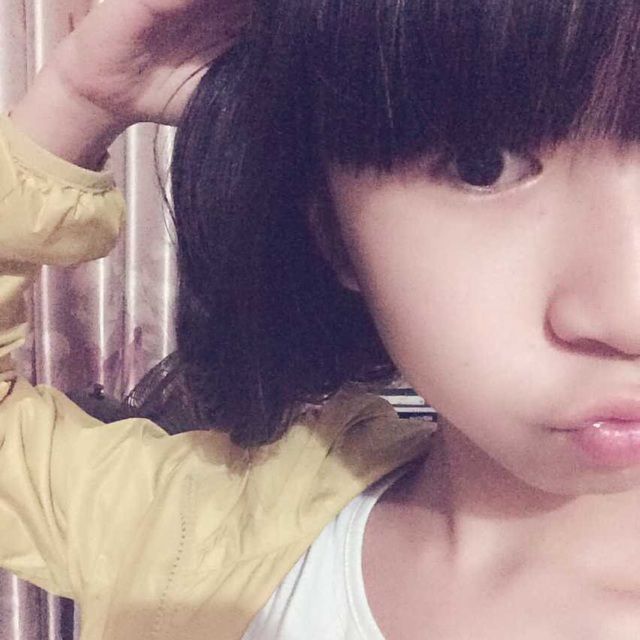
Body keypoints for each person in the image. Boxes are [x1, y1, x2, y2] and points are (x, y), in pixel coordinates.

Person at [2, 0, 640, 638]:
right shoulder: (202, 528)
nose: (624, 317)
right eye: (484, 165)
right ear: (335, 235)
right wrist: (75, 101)